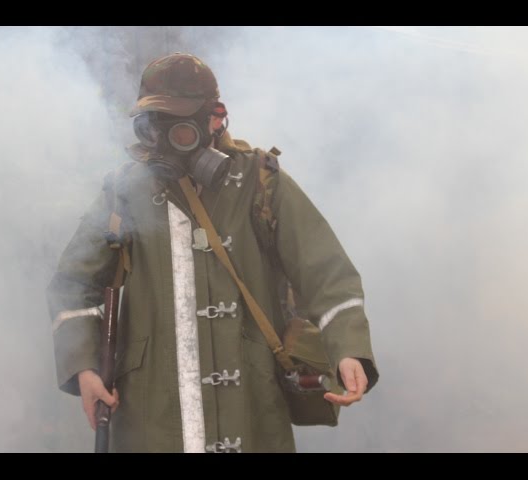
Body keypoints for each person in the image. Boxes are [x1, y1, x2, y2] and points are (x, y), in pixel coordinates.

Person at [47, 52, 379, 453]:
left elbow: (328, 275)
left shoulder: (260, 182)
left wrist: (349, 350)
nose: (167, 136)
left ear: (214, 117)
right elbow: (73, 285)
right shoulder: (124, 190)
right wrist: (84, 368)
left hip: (251, 412)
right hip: (152, 419)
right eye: (156, 123)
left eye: (180, 123)